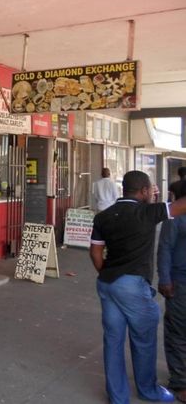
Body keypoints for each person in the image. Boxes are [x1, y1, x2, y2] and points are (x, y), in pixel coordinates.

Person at [90, 170, 186, 404]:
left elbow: (95, 252)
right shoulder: (147, 212)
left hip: (107, 283)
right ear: (143, 191)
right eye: (151, 189)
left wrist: (108, 274)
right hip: (132, 285)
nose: (153, 193)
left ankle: (118, 397)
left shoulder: (103, 216)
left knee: (113, 340)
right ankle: (148, 390)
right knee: (143, 339)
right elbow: (179, 207)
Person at [158, 180, 186, 403]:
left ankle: (181, 383)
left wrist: (165, 280)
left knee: (177, 333)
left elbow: (165, 248)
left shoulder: (175, 218)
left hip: (179, 283)